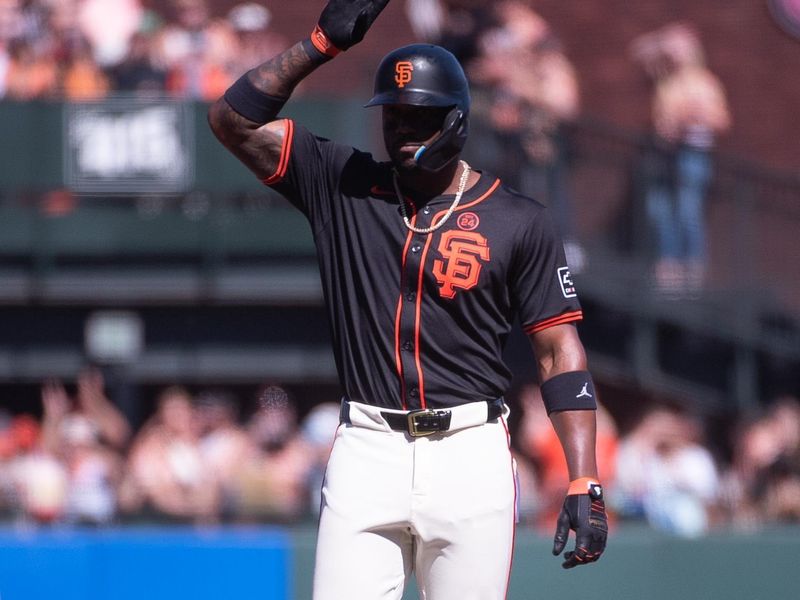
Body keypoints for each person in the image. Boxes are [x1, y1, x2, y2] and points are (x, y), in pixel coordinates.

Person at [208, 1, 608, 597]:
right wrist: (320, 44)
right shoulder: (341, 184)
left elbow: (558, 353)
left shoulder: (519, 220)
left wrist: (584, 478)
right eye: (393, 117)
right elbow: (231, 119)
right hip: (367, 448)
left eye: (419, 117)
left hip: (469, 452)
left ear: (456, 120)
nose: (402, 131)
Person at [631, 23, 731, 292]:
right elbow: (638, 53)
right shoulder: (667, 80)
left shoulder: (704, 82)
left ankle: (692, 269)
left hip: (691, 154)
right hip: (664, 153)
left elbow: (722, 120)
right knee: (660, 208)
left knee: (687, 210)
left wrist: (692, 117)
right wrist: (663, 39)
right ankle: (669, 266)